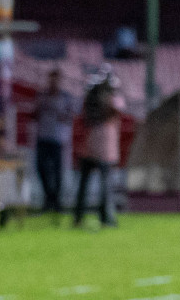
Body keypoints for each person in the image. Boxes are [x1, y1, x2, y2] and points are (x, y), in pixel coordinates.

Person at [74, 70, 126, 228]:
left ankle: (79, 216)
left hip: (91, 146)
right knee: (104, 184)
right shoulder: (106, 100)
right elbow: (119, 107)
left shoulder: (92, 99)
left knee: (86, 183)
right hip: (103, 148)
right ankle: (104, 217)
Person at [33, 68, 76, 217]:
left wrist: (59, 114)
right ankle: (48, 197)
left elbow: (70, 116)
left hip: (58, 138)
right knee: (41, 168)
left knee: (57, 172)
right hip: (43, 136)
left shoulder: (65, 97)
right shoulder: (42, 95)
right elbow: (34, 114)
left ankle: (56, 202)